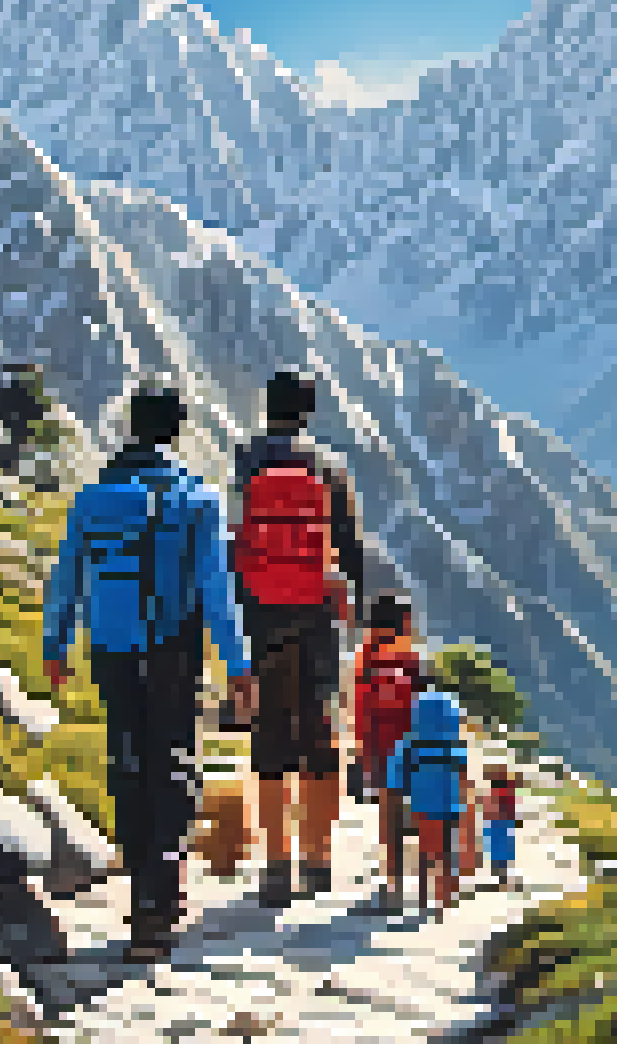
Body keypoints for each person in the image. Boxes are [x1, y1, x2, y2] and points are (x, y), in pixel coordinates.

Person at [43, 386, 256, 963]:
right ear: (177, 431)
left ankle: (141, 897)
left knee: (128, 763)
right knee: (174, 766)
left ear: (132, 428)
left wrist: (55, 645)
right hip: (172, 649)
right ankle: (158, 907)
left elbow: (67, 576)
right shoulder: (197, 498)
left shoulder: (94, 496)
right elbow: (216, 589)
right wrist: (237, 664)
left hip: (109, 646)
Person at [232, 370, 366, 908]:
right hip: (317, 617)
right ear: (309, 412)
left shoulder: (246, 462)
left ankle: (275, 865)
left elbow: (235, 540)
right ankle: (318, 859)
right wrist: (353, 610)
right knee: (318, 738)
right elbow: (349, 548)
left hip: (260, 614)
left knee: (267, 738)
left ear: (268, 408)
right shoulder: (328, 466)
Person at [353, 595, 426, 910]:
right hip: (416, 746)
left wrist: (363, 752)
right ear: (404, 622)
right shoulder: (411, 655)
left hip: (381, 747)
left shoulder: (367, 657)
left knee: (391, 818)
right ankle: (426, 887)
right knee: (423, 816)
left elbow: (361, 707)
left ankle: (393, 885)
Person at [384, 688, 478, 918]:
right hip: (449, 809)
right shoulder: (454, 747)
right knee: (445, 852)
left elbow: (395, 778)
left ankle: (424, 895)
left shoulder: (409, 745)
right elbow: (464, 780)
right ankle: (443, 897)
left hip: (422, 807)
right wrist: (467, 810)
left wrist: (397, 798)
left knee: (426, 853)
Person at [481, 762, 521, 893]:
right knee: (500, 852)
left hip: (499, 823)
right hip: (499, 823)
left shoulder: (502, 790)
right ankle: (502, 880)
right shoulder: (504, 790)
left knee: (500, 852)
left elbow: (491, 808)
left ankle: (503, 880)